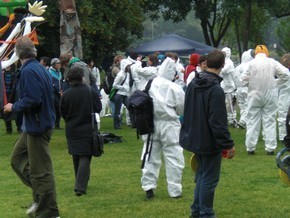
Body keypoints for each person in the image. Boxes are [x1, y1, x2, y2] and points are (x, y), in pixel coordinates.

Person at [3, 36, 60, 217]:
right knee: (17, 159)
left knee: (41, 171)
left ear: (17, 53)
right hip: (35, 124)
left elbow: (33, 99)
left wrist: (14, 106)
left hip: (37, 125)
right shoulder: (38, 68)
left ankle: (49, 210)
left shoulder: (29, 71)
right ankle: (41, 197)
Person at [180, 49, 235, 218]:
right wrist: (228, 144)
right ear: (222, 65)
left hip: (194, 136)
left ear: (206, 63)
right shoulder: (216, 90)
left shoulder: (193, 83)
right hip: (208, 140)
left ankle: (196, 211)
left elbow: (186, 110)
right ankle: (206, 213)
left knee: (202, 176)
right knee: (209, 179)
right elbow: (217, 122)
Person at [141, 57, 185, 199]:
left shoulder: (148, 84)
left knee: (150, 156)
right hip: (169, 124)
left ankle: (148, 187)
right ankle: (175, 190)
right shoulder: (175, 87)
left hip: (150, 124)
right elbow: (182, 108)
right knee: (173, 157)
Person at [60, 66, 102, 196]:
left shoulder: (66, 94)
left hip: (71, 127)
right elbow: (98, 108)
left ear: (68, 78)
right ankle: (80, 186)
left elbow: (63, 112)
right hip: (87, 126)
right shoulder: (90, 91)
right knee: (85, 155)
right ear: (82, 77)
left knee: (76, 155)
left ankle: (79, 181)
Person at [241, 45, 289, 155]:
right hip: (270, 95)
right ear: (267, 53)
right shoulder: (272, 62)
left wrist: (251, 84)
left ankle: (250, 147)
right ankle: (270, 148)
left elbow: (242, 79)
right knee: (270, 120)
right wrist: (275, 84)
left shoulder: (251, 63)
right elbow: (286, 74)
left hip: (254, 95)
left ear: (256, 54)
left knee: (252, 120)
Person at [234, 49, 253, 129]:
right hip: (247, 88)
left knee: (242, 106)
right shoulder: (250, 66)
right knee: (248, 105)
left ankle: (243, 121)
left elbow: (234, 78)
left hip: (239, 89)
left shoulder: (237, 67)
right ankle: (243, 121)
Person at [111, 59, 132, 129]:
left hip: (125, 94)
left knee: (130, 107)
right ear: (124, 66)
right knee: (117, 111)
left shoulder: (127, 74)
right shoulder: (120, 75)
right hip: (119, 94)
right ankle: (116, 126)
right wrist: (123, 87)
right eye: (128, 66)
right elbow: (114, 85)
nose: (129, 67)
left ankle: (133, 123)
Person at [220, 47, 237, 127]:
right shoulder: (224, 62)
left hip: (229, 87)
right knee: (225, 104)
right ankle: (228, 119)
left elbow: (224, 71)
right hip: (224, 86)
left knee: (230, 104)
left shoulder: (229, 63)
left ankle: (233, 120)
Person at [277, 53, 290, 142]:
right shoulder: (284, 75)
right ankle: (284, 136)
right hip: (284, 96)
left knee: (282, 116)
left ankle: (283, 136)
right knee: (283, 116)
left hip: (284, 97)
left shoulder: (282, 75)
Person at [49, 58, 63, 129]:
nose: (60, 65)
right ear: (54, 64)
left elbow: (61, 82)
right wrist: (56, 90)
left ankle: (57, 124)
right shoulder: (49, 72)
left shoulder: (59, 72)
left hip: (59, 93)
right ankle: (53, 124)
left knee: (59, 109)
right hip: (53, 93)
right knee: (55, 108)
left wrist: (61, 90)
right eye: (58, 63)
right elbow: (50, 84)